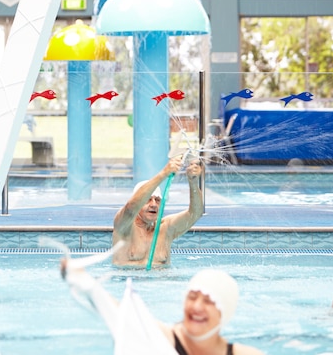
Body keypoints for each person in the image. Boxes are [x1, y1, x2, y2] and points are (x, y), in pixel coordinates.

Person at [61, 258, 265, 355]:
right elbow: (121, 314)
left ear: (224, 313)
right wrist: (87, 284)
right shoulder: (160, 339)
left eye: (209, 301)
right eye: (192, 297)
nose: (197, 307)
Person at [112, 152, 203, 267]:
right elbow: (131, 208)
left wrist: (193, 182)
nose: (154, 204)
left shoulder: (166, 228)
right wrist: (164, 173)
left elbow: (195, 213)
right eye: (148, 200)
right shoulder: (124, 227)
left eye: (157, 200)